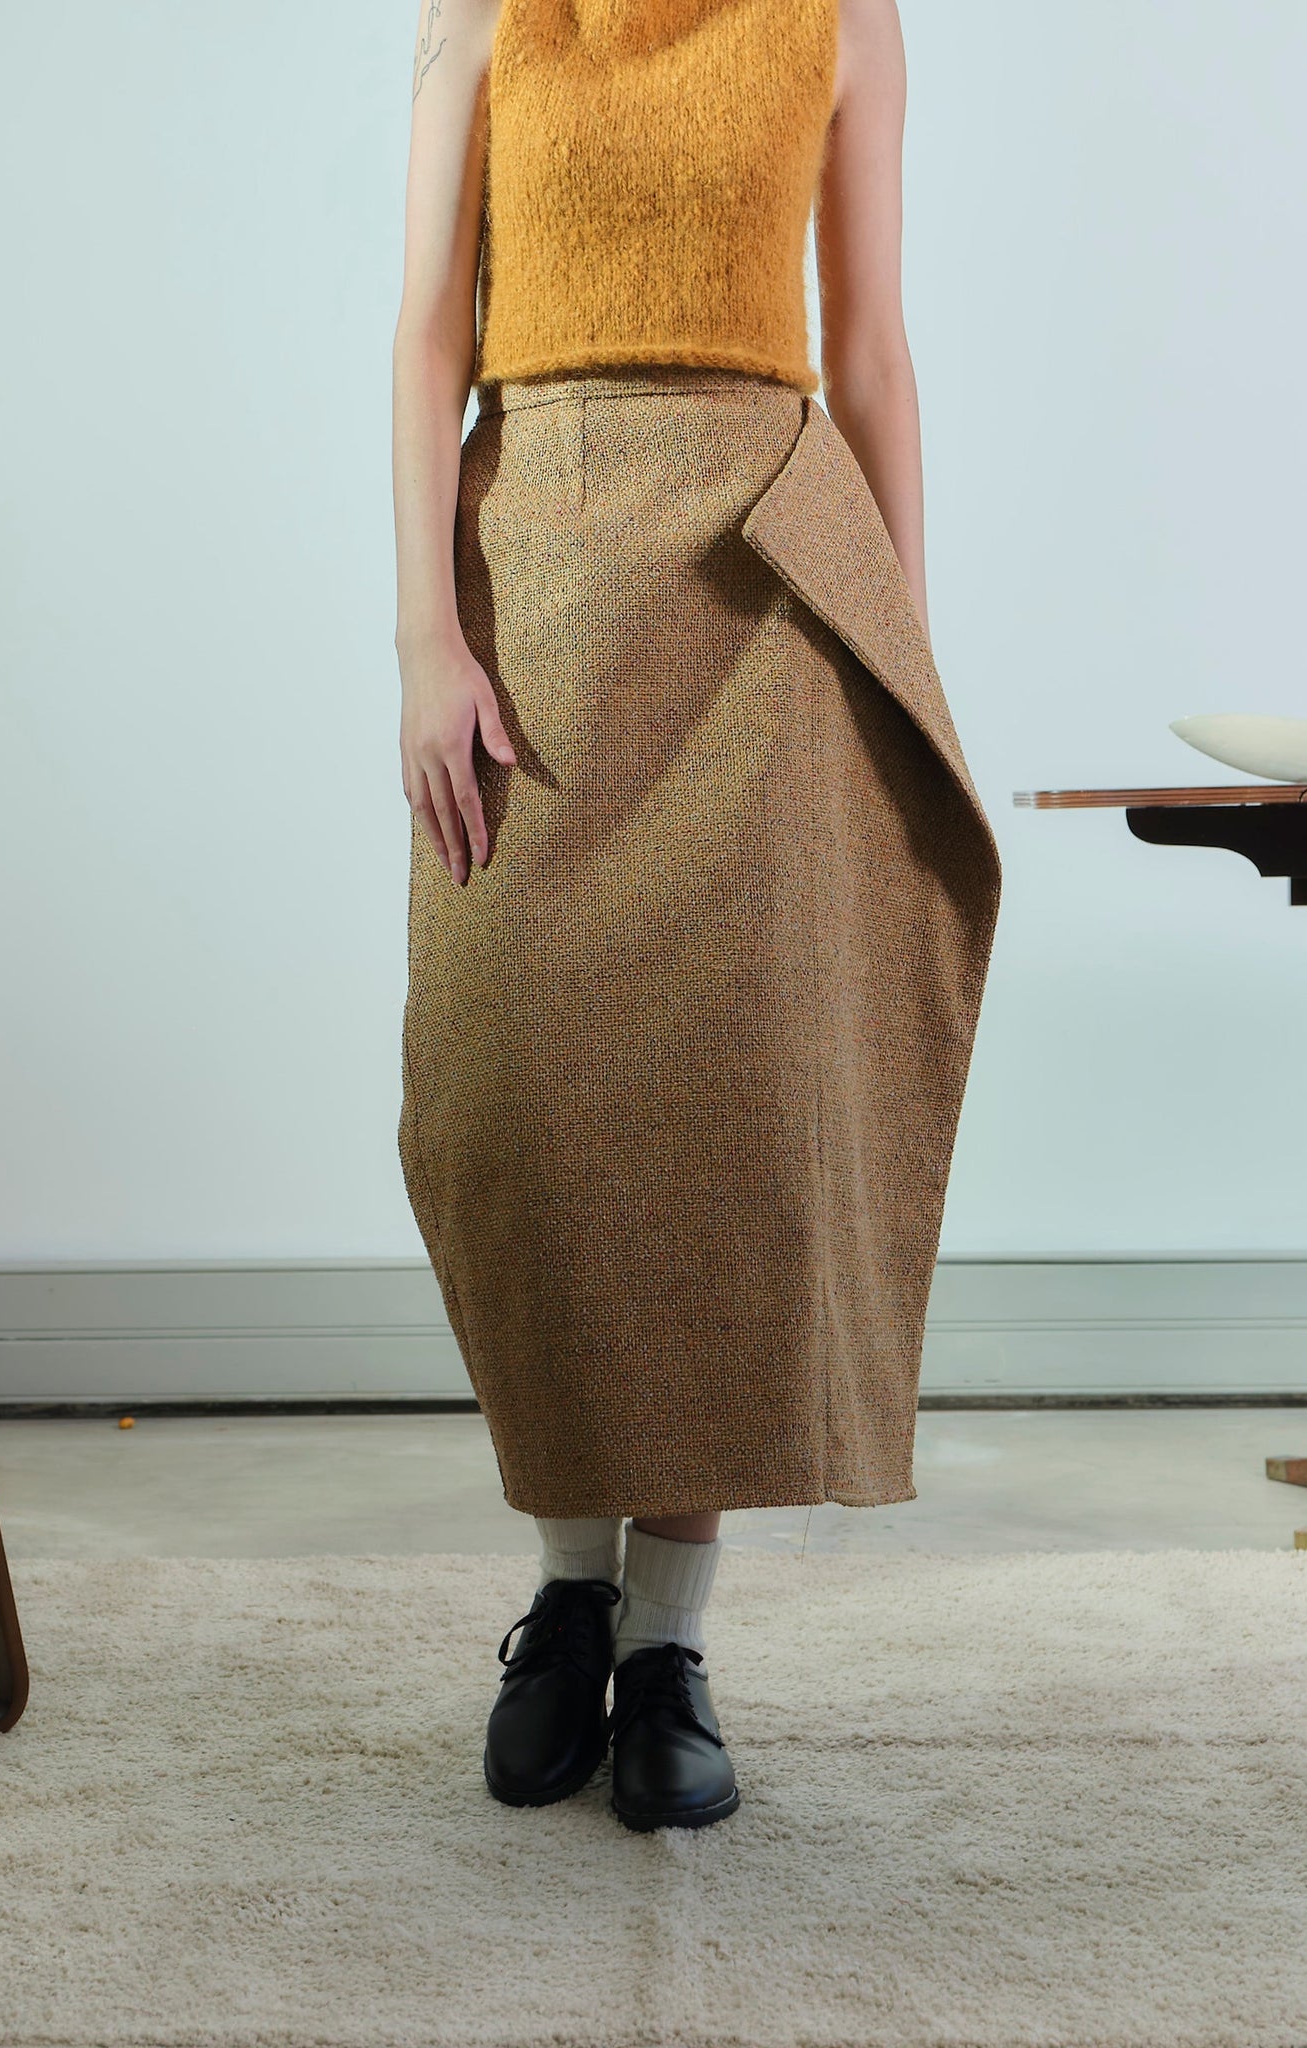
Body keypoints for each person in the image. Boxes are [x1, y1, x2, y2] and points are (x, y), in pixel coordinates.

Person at [390, 0, 1002, 1834]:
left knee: (721, 1118)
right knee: (512, 1103)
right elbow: (426, 336)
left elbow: (869, 348)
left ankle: (663, 1640)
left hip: (769, 585)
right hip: (536, 565)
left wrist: (906, 648)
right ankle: (566, 1594)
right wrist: (424, 640)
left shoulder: (844, 18)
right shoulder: (481, 14)